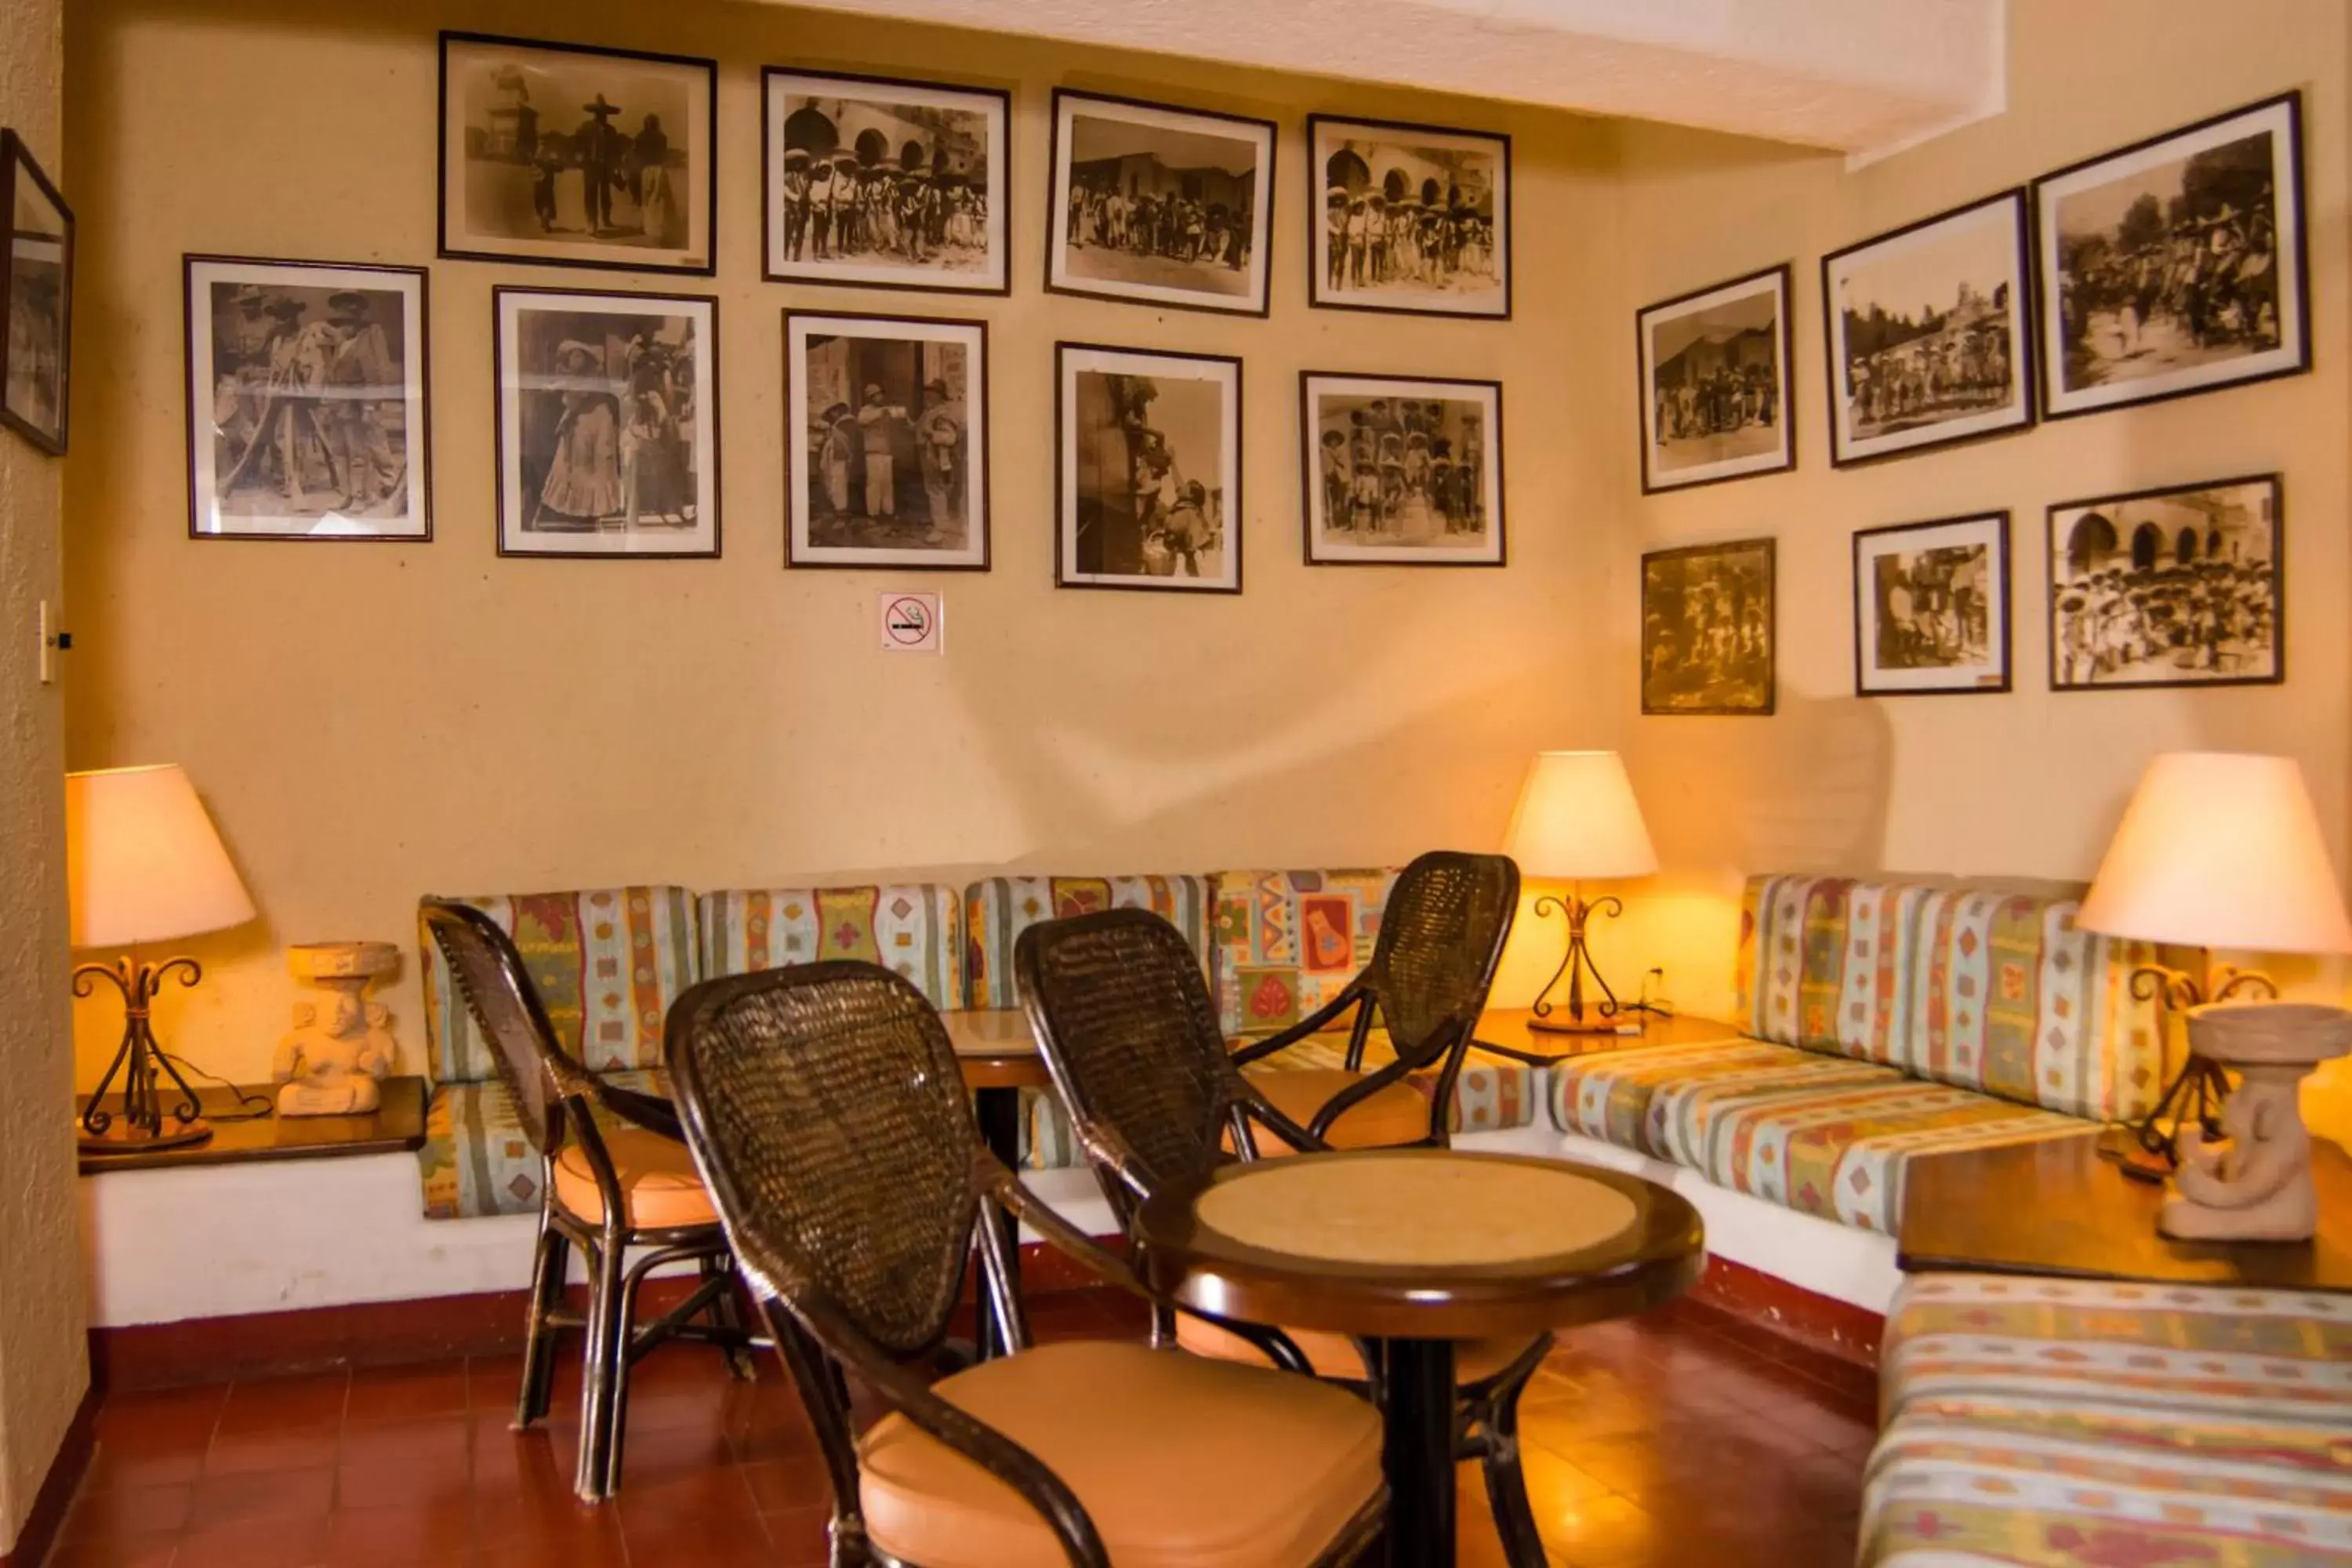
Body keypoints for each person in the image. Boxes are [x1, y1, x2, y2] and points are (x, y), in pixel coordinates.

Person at [321, 291, 400, 512]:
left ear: (357, 321)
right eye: (340, 323)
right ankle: (344, 494)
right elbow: (331, 376)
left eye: (348, 322)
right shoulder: (337, 348)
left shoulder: (367, 340)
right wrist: (327, 403)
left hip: (356, 405)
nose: (344, 328)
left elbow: (373, 375)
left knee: (359, 452)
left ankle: (361, 495)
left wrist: (369, 406)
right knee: (339, 451)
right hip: (339, 406)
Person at [536, 340, 622, 524]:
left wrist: (566, 409)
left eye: (577, 356)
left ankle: (594, 508)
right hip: (585, 417)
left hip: (595, 419)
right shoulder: (576, 378)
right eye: (572, 356)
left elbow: (577, 398)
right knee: (575, 461)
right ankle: (575, 507)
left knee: (593, 463)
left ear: (585, 358)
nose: (574, 360)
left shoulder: (590, 378)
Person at [916, 377, 965, 543]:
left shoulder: (943, 412)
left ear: (939, 395)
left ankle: (940, 529)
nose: (927, 396)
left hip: (939, 456)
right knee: (933, 490)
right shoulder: (930, 411)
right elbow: (921, 429)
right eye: (926, 393)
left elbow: (949, 438)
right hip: (928, 455)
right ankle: (940, 523)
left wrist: (930, 434)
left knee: (937, 491)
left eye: (931, 393)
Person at [855, 383, 907, 521]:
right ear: (870, 398)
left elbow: (902, 415)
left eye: (880, 395)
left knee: (887, 484)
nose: (879, 398)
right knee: (874, 484)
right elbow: (862, 420)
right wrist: (881, 413)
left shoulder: (886, 410)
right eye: (875, 396)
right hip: (873, 452)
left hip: (886, 451)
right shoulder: (866, 411)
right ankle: (874, 513)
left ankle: (888, 511)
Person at [577, 95, 625, 235]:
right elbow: (577, 143)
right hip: (591, 165)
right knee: (590, 194)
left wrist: (617, 166)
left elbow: (616, 150)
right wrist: (580, 155)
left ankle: (606, 218)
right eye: (600, 113)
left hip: (606, 166)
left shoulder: (611, 130)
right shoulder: (586, 127)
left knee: (605, 194)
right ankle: (592, 222)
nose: (603, 116)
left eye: (604, 114)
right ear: (595, 114)